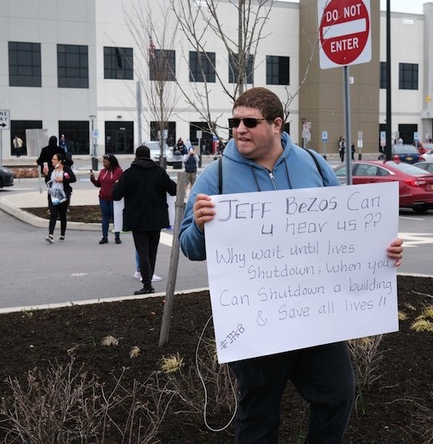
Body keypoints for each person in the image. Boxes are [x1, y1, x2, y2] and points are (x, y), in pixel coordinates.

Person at [178, 87, 404, 443]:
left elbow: (346, 231)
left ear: (276, 124)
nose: (239, 130)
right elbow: (188, 247)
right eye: (234, 122)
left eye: (249, 122)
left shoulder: (313, 164)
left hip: (316, 317)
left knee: (338, 394)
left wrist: (382, 251)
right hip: (256, 323)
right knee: (259, 417)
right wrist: (201, 225)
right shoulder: (216, 175)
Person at [112, 145, 177, 295]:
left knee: (142, 251)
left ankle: (147, 284)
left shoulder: (128, 174)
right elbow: (173, 189)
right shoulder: (159, 172)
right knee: (152, 251)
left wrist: (117, 186)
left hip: (136, 219)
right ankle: (148, 282)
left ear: (136, 156)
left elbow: (116, 195)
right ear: (149, 156)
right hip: (157, 218)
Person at [90, 154, 123, 244]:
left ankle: (117, 236)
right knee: (105, 218)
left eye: (105, 162)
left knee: (115, 218)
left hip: (114, 199)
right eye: (103, 162)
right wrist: (93, 179)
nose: (103, 164)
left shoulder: (119, 171)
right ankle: (104, 236)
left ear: (111, 162)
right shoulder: (102, 172)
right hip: (103, 198)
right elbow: (98, 184)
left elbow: (123, 184)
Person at [44, 153, 76, 243]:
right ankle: (50, 234)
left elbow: (73, 179)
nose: (52, 161)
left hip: (63, 193)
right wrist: (46, 174)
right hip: (53, 193)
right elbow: (48, 182)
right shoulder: (52, 170)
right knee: (53, 214)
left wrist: (63, 180)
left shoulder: (66, 169)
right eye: (52, 159)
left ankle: (62, 234)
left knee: (62, 215)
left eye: (54, 159)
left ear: (60, 161)